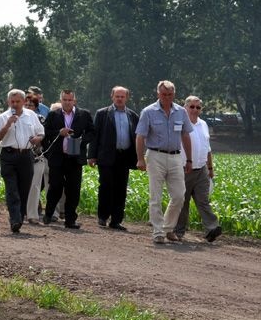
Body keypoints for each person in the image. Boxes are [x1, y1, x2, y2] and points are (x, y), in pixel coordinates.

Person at [135, 80, 194, 244]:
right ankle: (158, 231)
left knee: (179, 195)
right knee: (156, 195)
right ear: (158, 94)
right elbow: (140, 136)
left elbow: (185, 135)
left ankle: (168, 228)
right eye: (164, 94)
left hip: (175, 157)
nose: (167, 97)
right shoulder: (148, 112)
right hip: (155, 155)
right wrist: (140, 158)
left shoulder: (181, 112)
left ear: (174, 94)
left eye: (170, 94)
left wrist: (189, 159)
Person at [0, 89, 45, 233]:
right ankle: (15, 219)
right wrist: (7, 125)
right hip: (8, 155)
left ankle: (19, 217)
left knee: (24, 189)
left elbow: (41, 133)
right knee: (11, 189)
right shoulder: (2, 118)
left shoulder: (31, 115)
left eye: (18, 101)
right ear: (8, 102)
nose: (15, 104)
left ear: (24, 102)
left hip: (26, 155)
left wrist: (37, 139)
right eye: (12, 102)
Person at [87, 86, 140, 230]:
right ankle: (103, 216)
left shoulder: (133, 115)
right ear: (112, 97)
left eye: (122, 96)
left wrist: (140, 157)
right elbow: (95, 136)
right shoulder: (102, 114)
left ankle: (116, 220)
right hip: (106, 155)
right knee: (106, 186)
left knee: (121, 188)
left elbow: (138, 137)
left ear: (127, 98)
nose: (119, 99)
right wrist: (91, 155)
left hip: (124, 156)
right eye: (117, 96)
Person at [42, 90, 94, 229]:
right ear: (61, 101)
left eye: (70, 100)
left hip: (75, 156)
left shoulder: (84, 114)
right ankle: (49, 213)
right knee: (55, 186)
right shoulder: (53, 115)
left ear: (74, 101)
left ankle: (70, 220)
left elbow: (92, 132)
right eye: (64, 100)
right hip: (58, 157)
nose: (67, 102)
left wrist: (82, 140)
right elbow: (45, 133)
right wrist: (59, 133)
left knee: (73, 189)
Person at [175, 95, 222, 242]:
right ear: (185, 107)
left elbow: (207, 149)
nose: (195, 110)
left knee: (203, 200)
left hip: (201, 169)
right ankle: (178, 232)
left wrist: (210, 168)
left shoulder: (203, 124)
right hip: (184, 169)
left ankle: (212, 228)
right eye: (192, 107)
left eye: (198, 107)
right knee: (183, 202)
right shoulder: (180, 123)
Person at [24, 95, 47, 224]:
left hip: (37, 156)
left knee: (35, 185)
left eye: (31, 105)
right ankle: (19, 211)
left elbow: (45, 137)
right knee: (21, 185)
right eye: (26, 105)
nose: (28, 107)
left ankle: (32, 214)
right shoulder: (16, 118)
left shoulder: (41, 119)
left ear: (36, 107)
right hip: (20, 156)